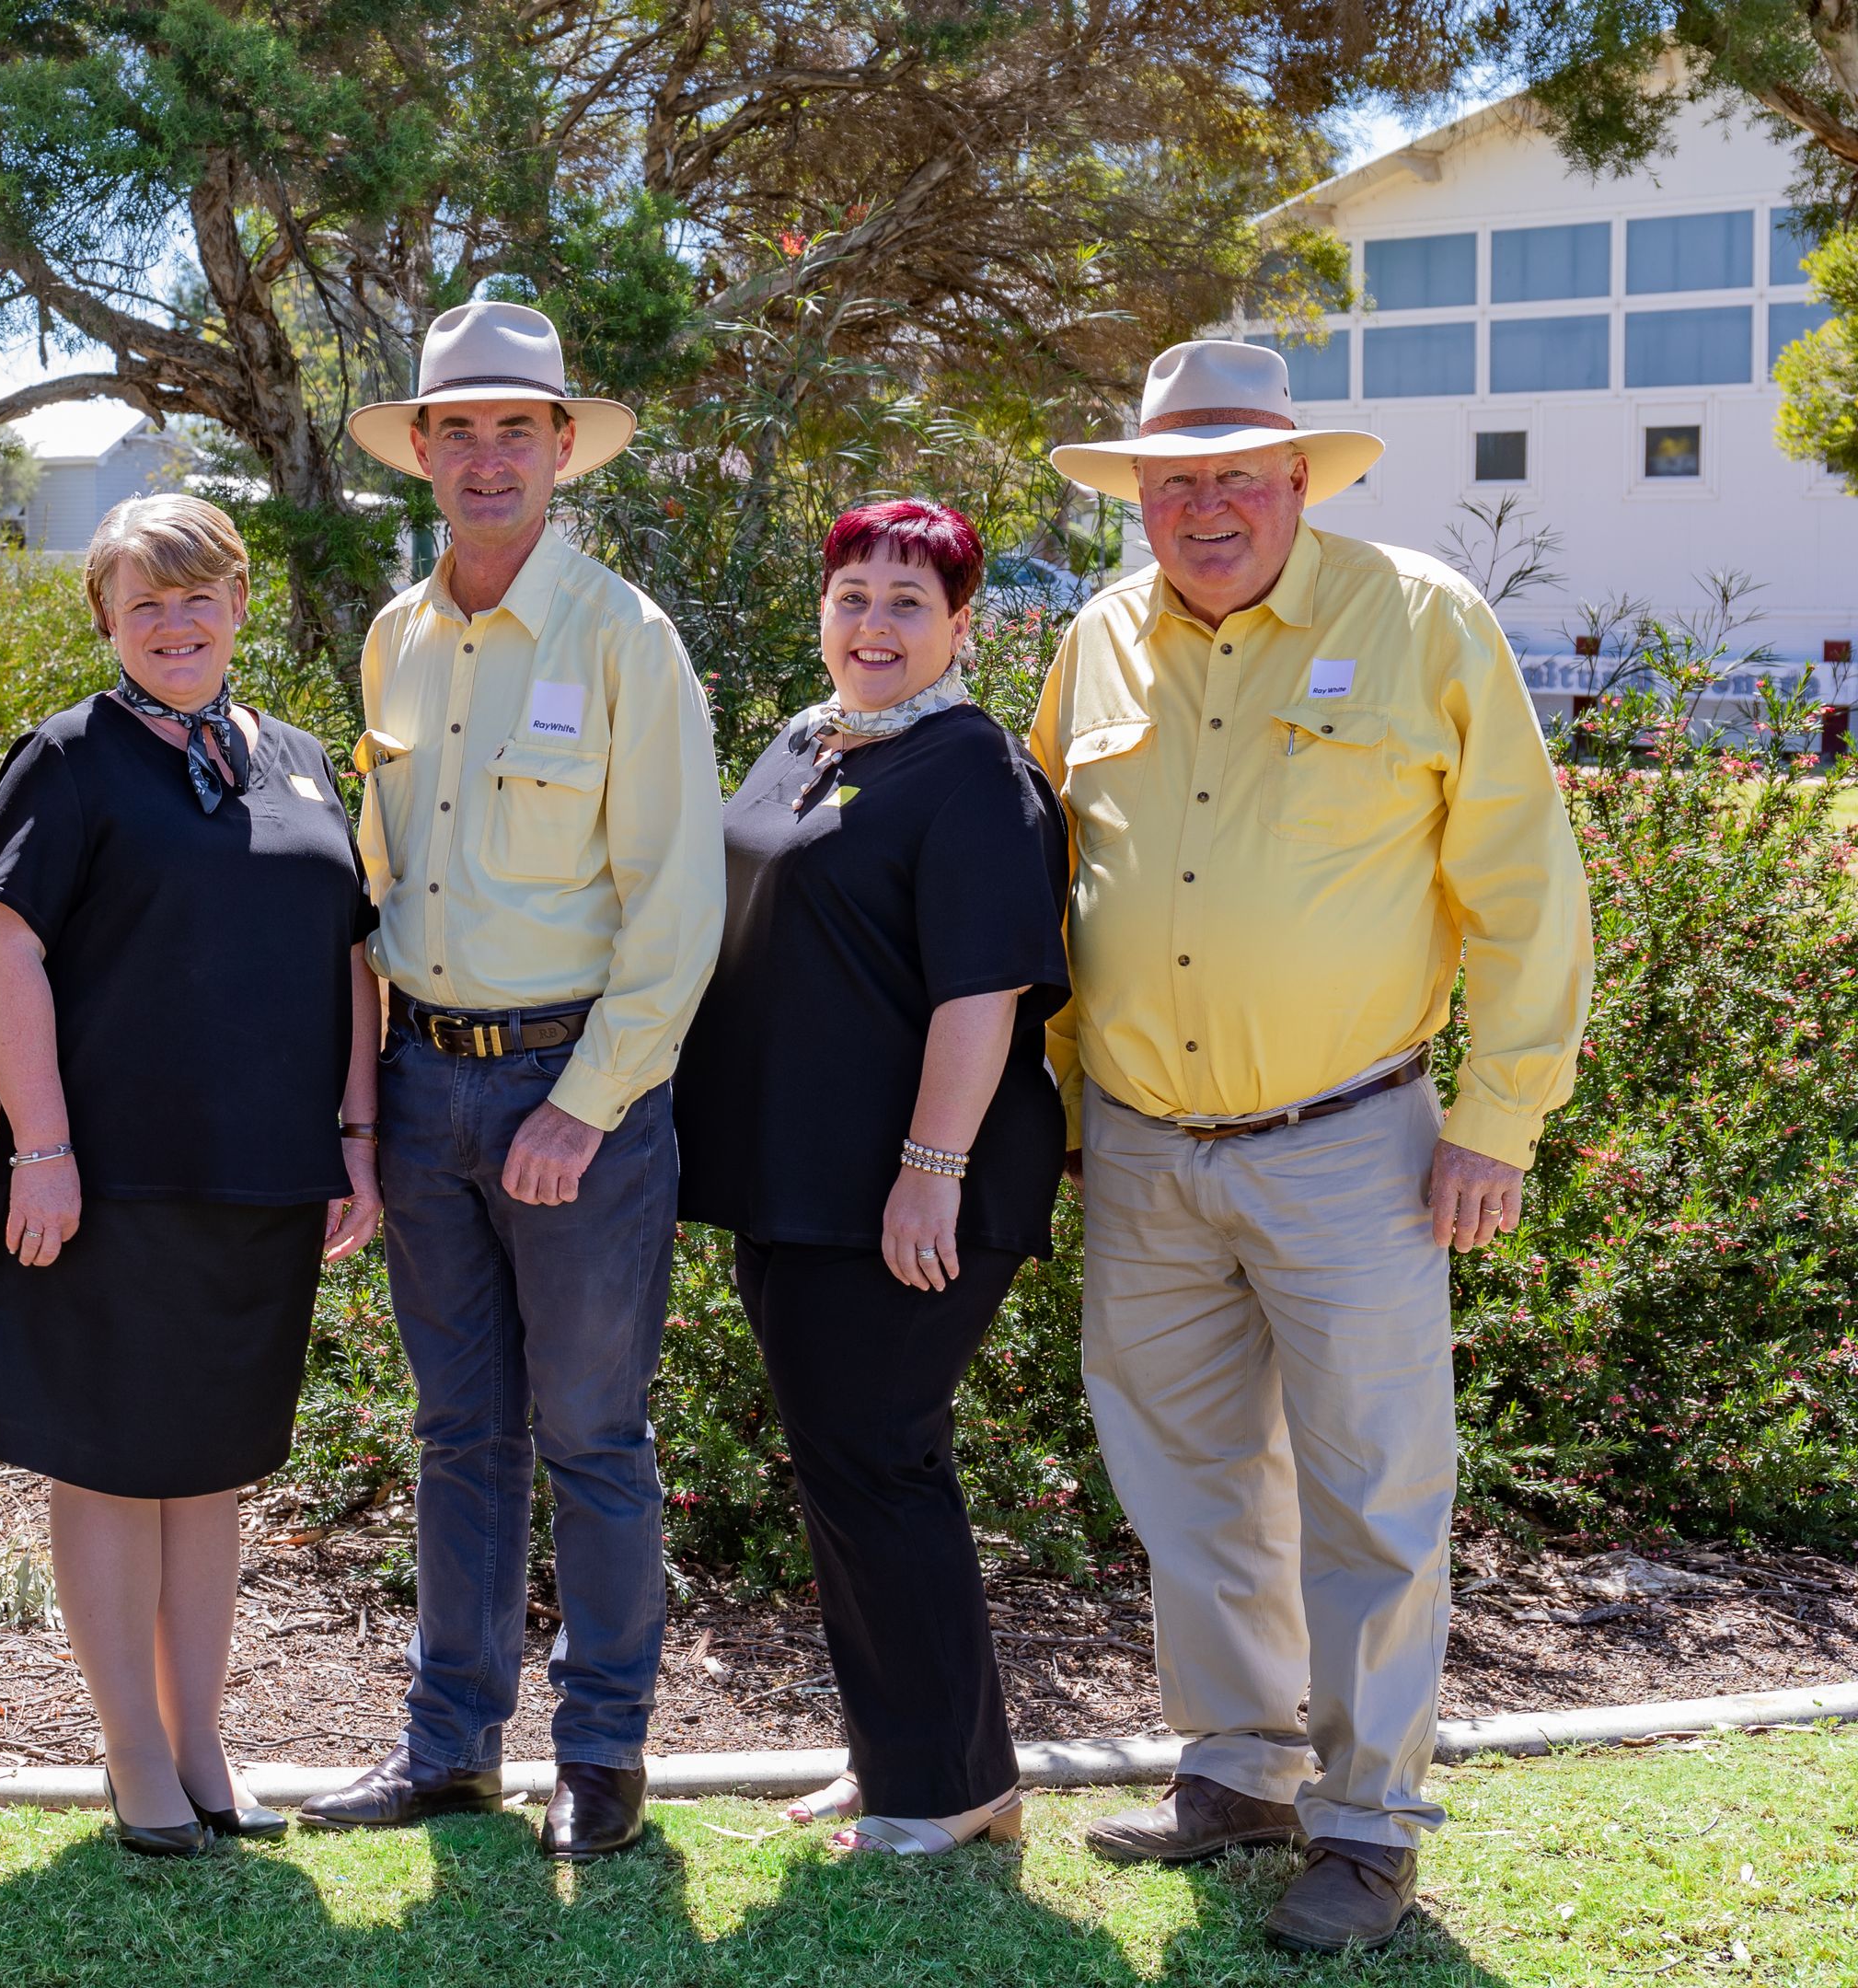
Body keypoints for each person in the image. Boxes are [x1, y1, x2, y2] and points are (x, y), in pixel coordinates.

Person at [1033, 340, 1594, 1953]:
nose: (1204, 507)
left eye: (1236, 476)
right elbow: (1063, 875)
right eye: (1173, 481)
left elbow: (1525, 886)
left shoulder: (1420, 619)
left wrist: (1497, 1119)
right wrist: (1069, 1109)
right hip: (1140, 1147)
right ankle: (1237, 1777)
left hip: (1353, 1139)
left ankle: (1365, 1826)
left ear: (1300, 482)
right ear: (1138, 497)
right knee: (1188, 1482)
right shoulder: (1099, 639)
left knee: (1372, 1491)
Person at [302, 301, 725, 1861]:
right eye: (457, 430)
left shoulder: (623, 636)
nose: (486, 458)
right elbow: (378, 888)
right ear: (420, 452)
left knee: (595, 1438)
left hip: (576, 1094)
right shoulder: (396, 639)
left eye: (516, 430)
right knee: (456, 1432)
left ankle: (604, 1754)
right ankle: (449, 1747)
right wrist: (364, 1113)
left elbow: (678, 904)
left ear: (563, 450)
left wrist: (588, 1102)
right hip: (423, 1090)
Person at [0, 494, 383, 1855]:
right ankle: (131, 1755)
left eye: (199, 595)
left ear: (241, 603)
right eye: (146, 601)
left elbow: (352, 960)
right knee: (107, 1468)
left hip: (264, 1179)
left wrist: (356, 1138)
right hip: (109, 1183)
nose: (177, 622)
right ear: (106, 620)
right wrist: (45, 1147)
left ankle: (203, 1747)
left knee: (212, 1471)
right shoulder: (72, 759)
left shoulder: (305, 761)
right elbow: (1, 949)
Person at [674, 500, 1067, 1858]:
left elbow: (985, 988)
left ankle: (953, 1794)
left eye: (910, 600)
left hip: (912, 1187)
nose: (875, 623)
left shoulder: (972, 771)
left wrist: (929, 1172)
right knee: (848, 1465)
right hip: (796, 1179)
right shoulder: (807, 740)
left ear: (963, 626)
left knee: (877, 1459)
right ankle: (904, 1755)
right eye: (853, 594)